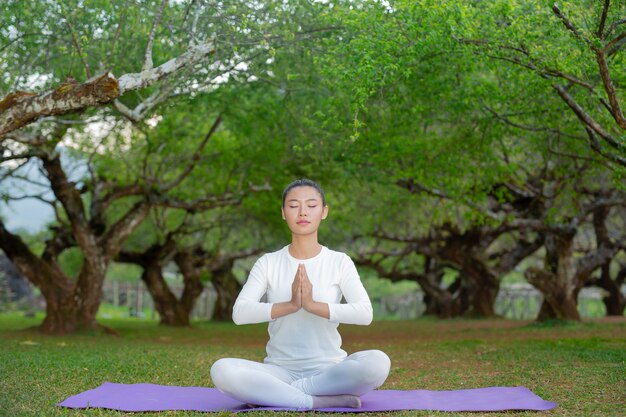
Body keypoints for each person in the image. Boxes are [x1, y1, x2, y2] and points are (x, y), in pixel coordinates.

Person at [210, 179, 391, 409]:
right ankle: (315, 400)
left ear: (324, 212)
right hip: (279, 370)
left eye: (312, 205)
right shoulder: (268, 262)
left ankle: (286, 395)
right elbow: (240, 313)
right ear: (283, 213)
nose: (303, 212)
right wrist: (291, 305)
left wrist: (314, 305)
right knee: (222, 370)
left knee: (377, 363)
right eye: (294, 205)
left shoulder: (339, 262)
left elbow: (365, 313)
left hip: (330, 370)